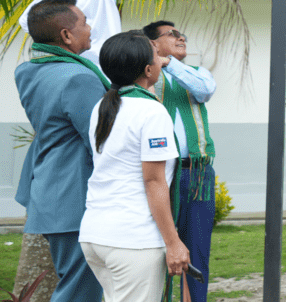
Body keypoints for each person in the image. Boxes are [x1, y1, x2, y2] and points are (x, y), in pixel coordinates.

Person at [79, 31, 190, 301]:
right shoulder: (151, 112)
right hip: (132, 240)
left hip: (96, 235)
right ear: (148, 69)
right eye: (156, 55)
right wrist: (173, 242)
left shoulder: (104, 106)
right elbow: (154, 182)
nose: (161, 59)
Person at [14, 0, 106, 302]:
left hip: (49, 191)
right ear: (66, 35)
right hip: (74, 194)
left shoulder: (30, 71)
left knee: (77, 283)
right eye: (83, 22)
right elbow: (101, 141)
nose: (90, 28)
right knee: (81, 289)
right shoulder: (79, 77)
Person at [143, 20, 217, 302]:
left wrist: (169, 62)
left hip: (196, 174)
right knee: (157, 247)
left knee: (198, 250)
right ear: (152, 43)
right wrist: (156, 64)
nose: (180, 37)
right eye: (171, 34)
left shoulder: (198, 74)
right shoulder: (145, 76)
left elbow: (204, 90)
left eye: (182, 34)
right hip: (159, 175)